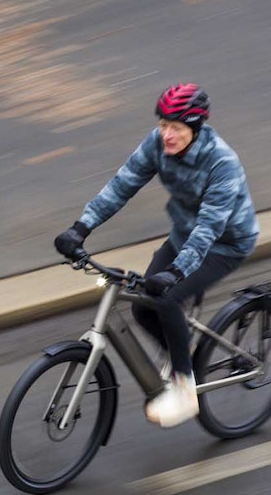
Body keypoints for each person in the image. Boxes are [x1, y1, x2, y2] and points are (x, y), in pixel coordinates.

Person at [54, 83, 259, 427]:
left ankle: (185, 390)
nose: (166, 134)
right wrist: (81, 227)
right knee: (141, 305)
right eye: (163, 124)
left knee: (166, 299)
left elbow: (209, 229)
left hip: (225, 244)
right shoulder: (156, 143)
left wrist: (176, 274)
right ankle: (180, 351)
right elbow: (122, 185)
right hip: (183, 236)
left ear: (195, 128)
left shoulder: (222, 162)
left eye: (176, 128)